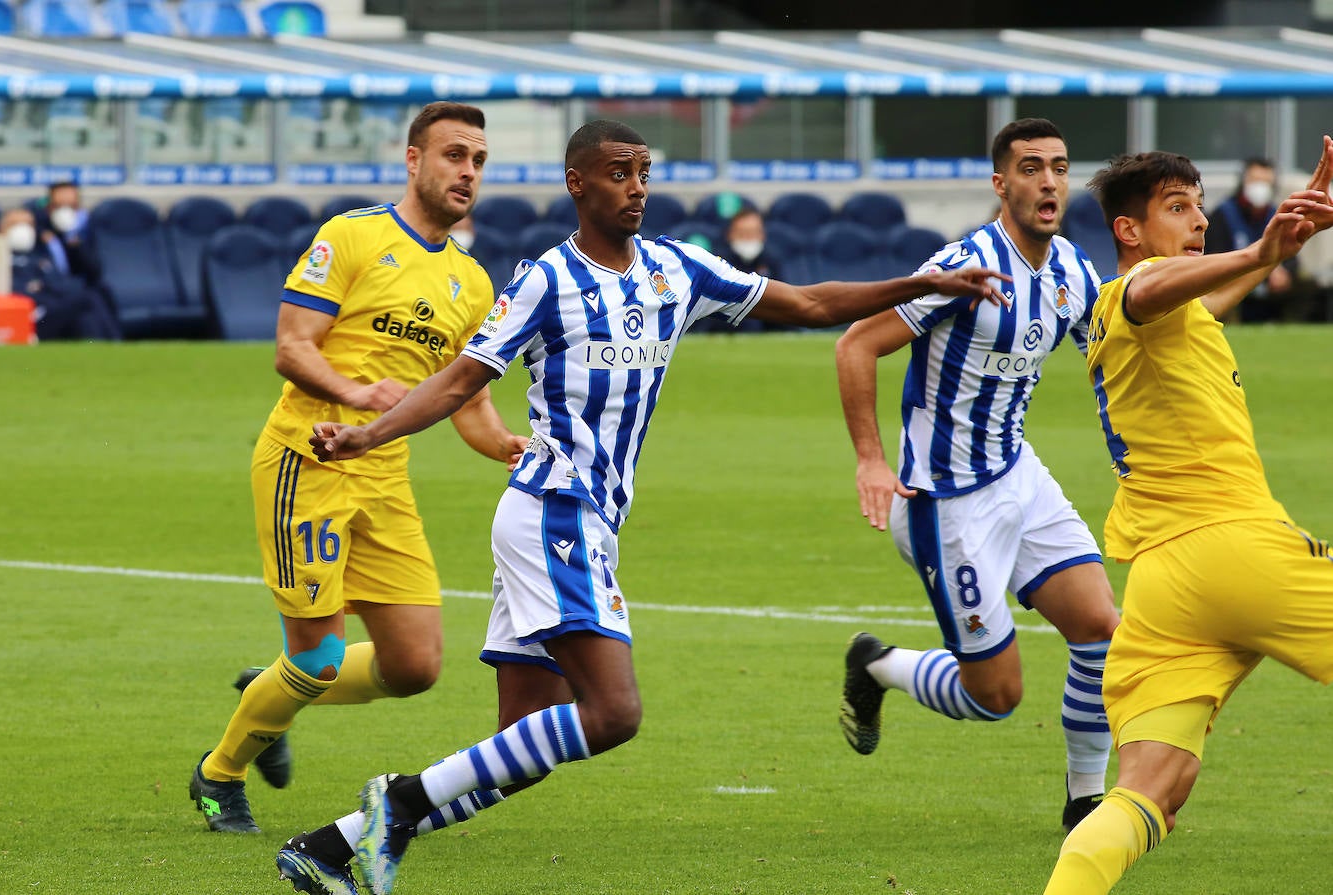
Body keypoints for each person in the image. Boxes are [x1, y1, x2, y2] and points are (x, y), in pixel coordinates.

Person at [271, 119, 1009, 895]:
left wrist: (919, 284)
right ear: (577, 184)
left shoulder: (675, 271)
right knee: (614, 712)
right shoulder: (544, 281)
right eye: (619, 172)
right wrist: (367, 435)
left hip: (581, 522)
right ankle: (396, 801)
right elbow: (460, 381)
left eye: (644, 172)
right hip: (554, 512)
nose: (637, 187)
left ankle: (328, 844)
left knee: (524, 747)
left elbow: (813, 301)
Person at [189, 101, 528, 836]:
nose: (467, 171)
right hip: (305, 460)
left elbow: (465, 397)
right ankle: (219, 775)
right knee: (316, 655)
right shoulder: (351, 235)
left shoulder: (470, 283)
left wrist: (506, 443)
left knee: (415, 666)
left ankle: (270, 691)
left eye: (478, 160)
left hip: (383, 476)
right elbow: (291, 346)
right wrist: (353, 394)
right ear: (414, 160)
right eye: (453, 156)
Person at [1042, 137, 1333, 894]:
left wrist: (1273, 253)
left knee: (1147, 790)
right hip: (1237, 550)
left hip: (1166, 587)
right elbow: (1155, 287)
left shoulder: (1166, 315)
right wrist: (1259, 249)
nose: (1198, 219)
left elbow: (1192, 297)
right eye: (1177, 207)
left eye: (1201, 205)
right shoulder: (1130, 292)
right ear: (1128, 231)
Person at [833, 118, 1120, 830]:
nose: (1048, 180)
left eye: (1057, 166)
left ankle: (1085, 799)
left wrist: (1258, 260)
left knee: (1101, 628)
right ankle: (877, 664)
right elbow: (857, 343)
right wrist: (872, 459)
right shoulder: (964, 267)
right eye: (1030, 167)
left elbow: (1125, 344)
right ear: (1002, 184)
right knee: (996, 693)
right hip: (945, 502)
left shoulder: (1074, 274)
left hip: (1016, 472)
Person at [1204, 157, 1306, 322]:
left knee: (1307, 287)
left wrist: (1284, 271)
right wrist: (1264, 269)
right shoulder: (1223, 214)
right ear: (1244, 181)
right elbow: (1215, 257)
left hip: (1272, 290)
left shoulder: (1278, 214)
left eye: (1266, 182)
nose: (1260, 187)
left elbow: (1292, 256)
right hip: (1234, 286)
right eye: (1255, 180)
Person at [1, 206, 120, 340]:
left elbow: (62, 284)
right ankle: (115, 343)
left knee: (87, 311)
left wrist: (43, 286)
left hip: (53, 310)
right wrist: (46, 288)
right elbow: (15, 291)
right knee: (87, 299)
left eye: (28, 224)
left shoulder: (40, 255)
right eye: (15, 224)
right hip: (30, 315)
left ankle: (99, 349)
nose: (23, 229)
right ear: (1, 229)